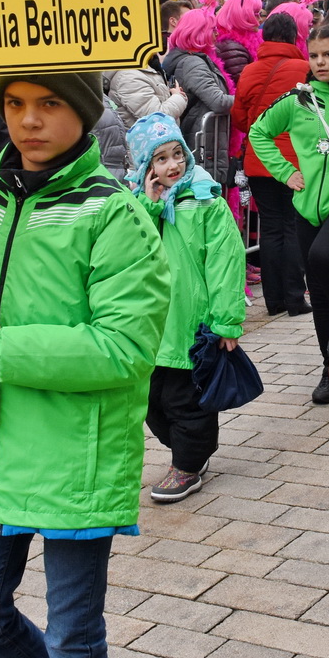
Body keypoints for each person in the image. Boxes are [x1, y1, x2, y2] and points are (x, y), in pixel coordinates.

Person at [0, 72, 169, 658]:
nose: (28, 120)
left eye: (48, 104)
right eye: (14, 104)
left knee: (73, 633)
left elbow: (125, 347)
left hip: (77, 454)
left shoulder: (113, 212)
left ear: (84, 112)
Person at [128, 113, 245, 503]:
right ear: (145, 167)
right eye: (160, 159)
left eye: (177, 154)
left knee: (186, 402)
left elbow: (226, 262)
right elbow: (128, 254)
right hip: (149, 327)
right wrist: (149, 205)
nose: (173, 165)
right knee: (152, 402)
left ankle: (188, 465)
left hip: (191, 325)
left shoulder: (206, 200)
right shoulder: (138, 205)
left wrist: (226, 320)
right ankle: (189, 454)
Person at [248, 24, 329, 404]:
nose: (320, 62)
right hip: (306, 208)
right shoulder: (298, 100)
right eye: (314, 55)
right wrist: (285, 172)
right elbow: (258, 132)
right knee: (319, 291)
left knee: (323, 257)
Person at [232, 14, 313, 317]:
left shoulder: (250, 71)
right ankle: (295, 298)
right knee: (292, 226)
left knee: (270, 227)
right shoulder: (304, 69)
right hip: (294, 161)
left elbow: (240, 118)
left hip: (258, 158)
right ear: (295, 38)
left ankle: (274, 300)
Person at [161, 8, 235, 151]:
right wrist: (248, 100)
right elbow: (218, 102)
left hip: (204, 140)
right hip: (203, 145)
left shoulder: (193, 59)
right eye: (212, 29)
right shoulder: (193, 63)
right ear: (199, 32)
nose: (217, 33)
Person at [214, 0, 264, 85]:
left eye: (260, 13)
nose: (260, 19)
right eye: (256, 14)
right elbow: (245, 85)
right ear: (242, 16)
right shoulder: (231, 47)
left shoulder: (247, 40)